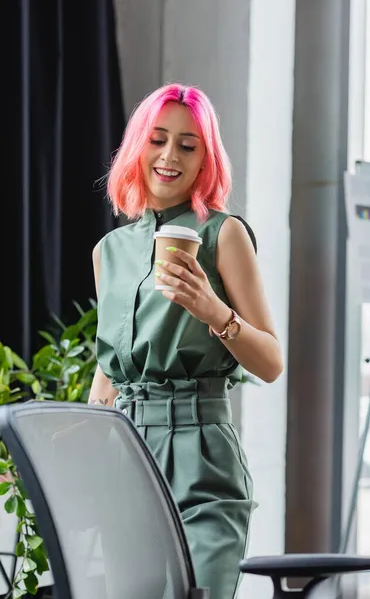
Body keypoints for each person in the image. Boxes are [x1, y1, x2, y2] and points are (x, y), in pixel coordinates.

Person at [89, 83, 283, 599]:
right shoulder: (108, 251)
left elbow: (271, 362)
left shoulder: (225, 234)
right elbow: (107, 380)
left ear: (205, 161)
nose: (170, 156)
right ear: (138, 148)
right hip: (127, 455)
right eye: (157, 139)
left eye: (188, 145)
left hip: (203, 456)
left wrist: (212, 310)